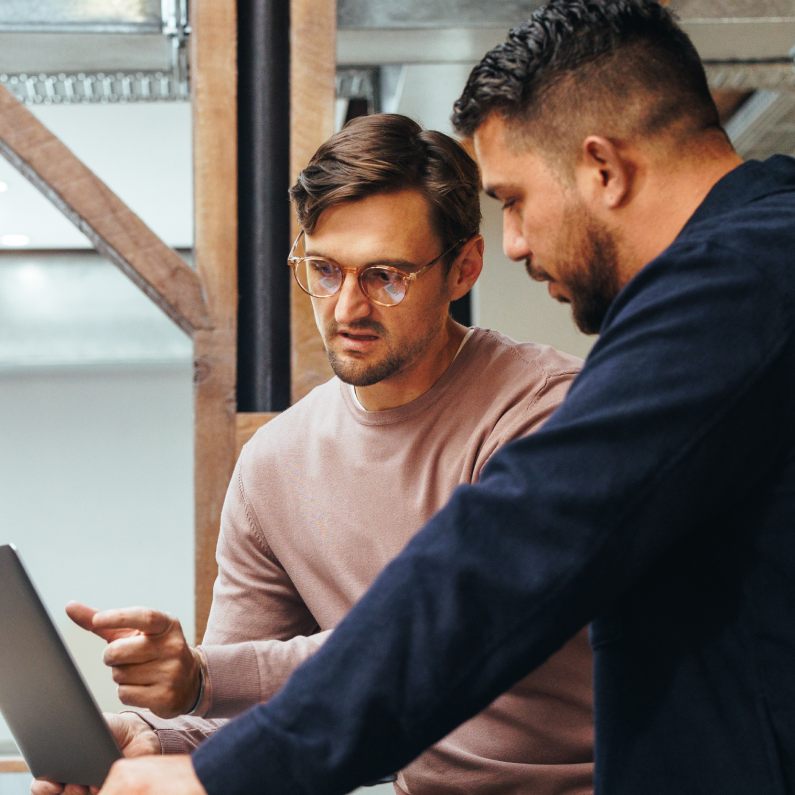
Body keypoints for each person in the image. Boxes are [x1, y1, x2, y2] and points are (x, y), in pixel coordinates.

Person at [91, 0, 795, 791]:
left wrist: (222, 767)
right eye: (323, 269)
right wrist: (163, 743)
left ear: (602, 168)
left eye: (517, 199)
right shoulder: (753, 271)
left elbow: (495, 571)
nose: (518, 242)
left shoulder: (733, 286)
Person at [35, 114, 593, 795]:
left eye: (384, 275)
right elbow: (250, 719)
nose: (346, 306)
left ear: (462, 268)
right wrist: (158, 741)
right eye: (324, 269)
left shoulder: (544, 415)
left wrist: (206, 676)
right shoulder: (275, 463)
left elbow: (434, 641)